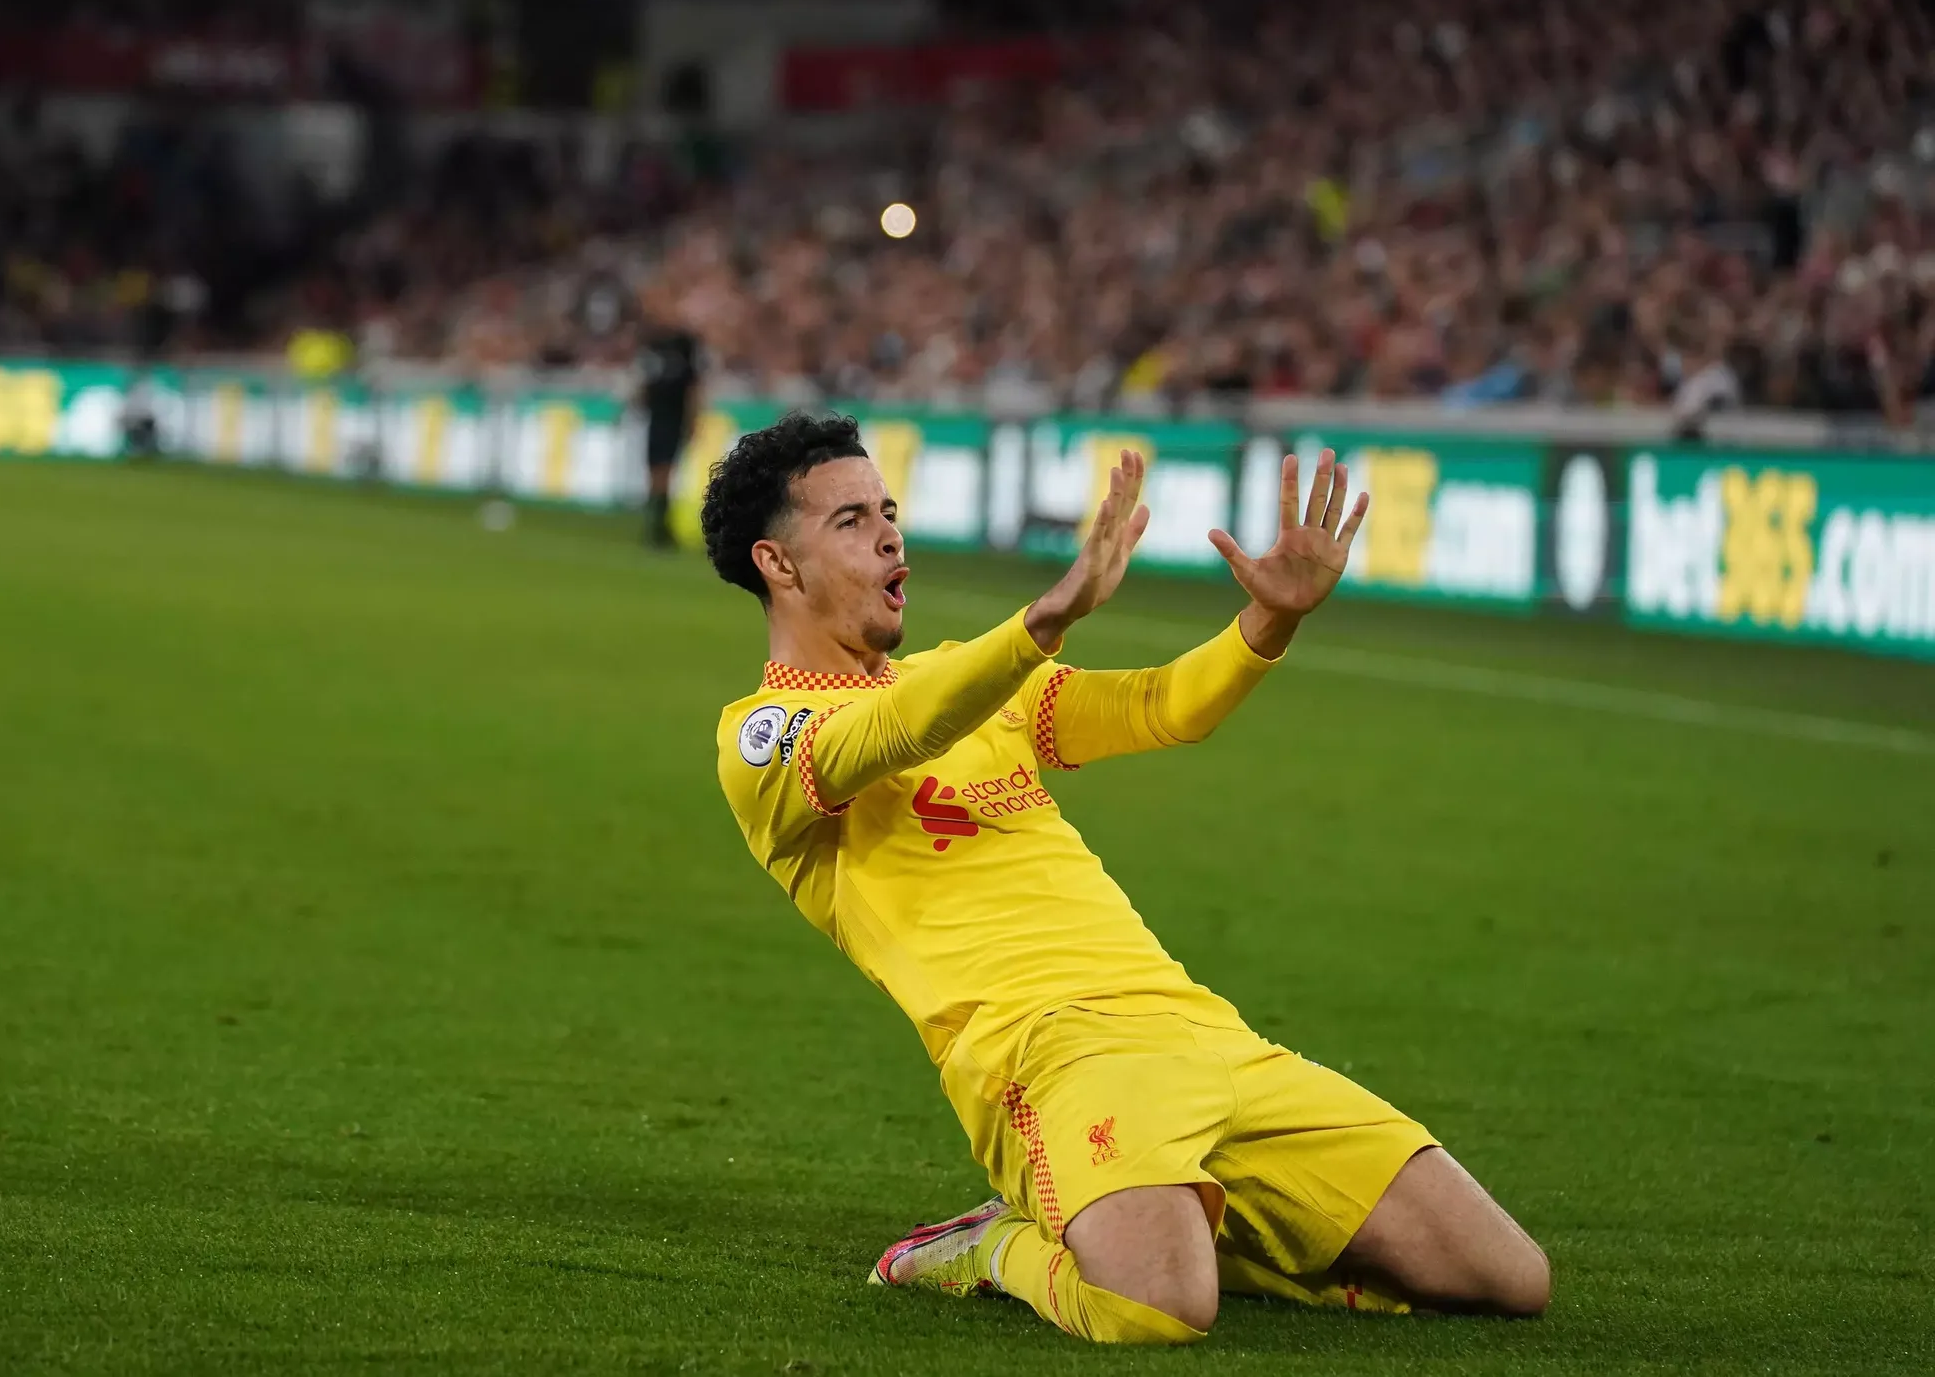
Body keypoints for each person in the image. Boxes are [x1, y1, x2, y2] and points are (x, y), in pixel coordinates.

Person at [703, 412, 1550, 1346]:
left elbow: (1164, 706)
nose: (891, 536)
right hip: (1051, 1055)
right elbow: (899, 729)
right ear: (778, 564)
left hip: (1200, 1029)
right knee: (1156, 1309)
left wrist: (1270, 621)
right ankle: (988, 1247)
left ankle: (1196, 1229)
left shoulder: (977, 683)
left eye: (890, 511)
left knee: (1508, 1277)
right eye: (852, 520)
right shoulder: (764, 738)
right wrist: (1045, 619)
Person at [635, 296, 702, 548]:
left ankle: (660, 523)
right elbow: (644, 378)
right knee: (655, 467)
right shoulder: (652, 343)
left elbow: (694, 385)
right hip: (656, 413)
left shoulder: (685, 344)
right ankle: (657, 523)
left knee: (666, 467)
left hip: (675, 413)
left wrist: (693, 417)